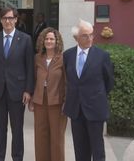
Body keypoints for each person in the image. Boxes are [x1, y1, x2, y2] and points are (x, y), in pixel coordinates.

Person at [0, 7, 34, 161]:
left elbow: (30, 67)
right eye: (5, 18)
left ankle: (17, 157)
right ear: (0, 20)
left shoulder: (25, 39)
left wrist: (28, 90)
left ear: (16, 19)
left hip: (18, 92)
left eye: (11, 18)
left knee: (17, 129)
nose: (8, 21)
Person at [63, 19, 114, 161]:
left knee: (97, 150)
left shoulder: (102, 56)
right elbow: (69, 80)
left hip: (95, 109)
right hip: (76, 109)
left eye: (91, 34)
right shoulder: (68, 55)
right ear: (76, 38)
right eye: (85, 35)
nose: (90, 38)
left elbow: (109, 82)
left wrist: (95, 96)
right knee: (80, 149)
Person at [29, 27, 67, 161]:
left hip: (57, 102)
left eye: (52, 39)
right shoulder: (37, 58)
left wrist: (66, 102)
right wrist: (31, 99)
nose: (49, 41)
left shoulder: (63, 59)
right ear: (42, 41)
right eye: (47, 38)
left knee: (57, 138)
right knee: (40, 137)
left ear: (57, 41)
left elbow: (67, 82)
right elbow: (33, 79)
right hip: (40, 101)